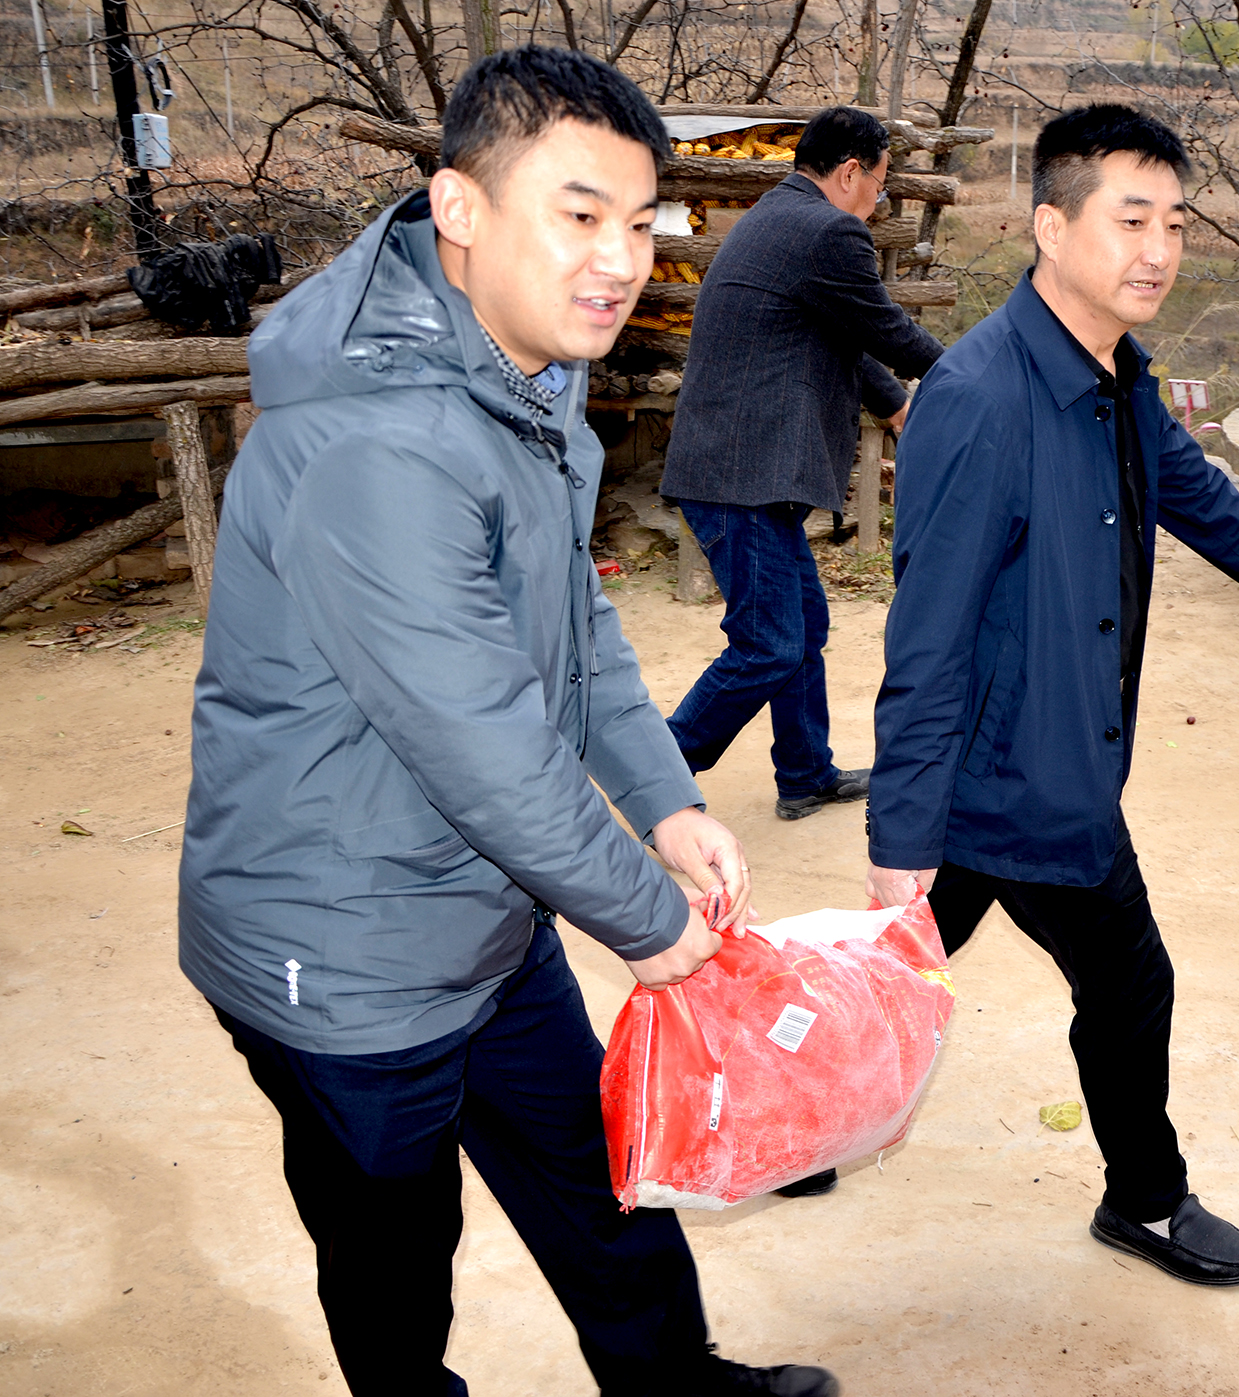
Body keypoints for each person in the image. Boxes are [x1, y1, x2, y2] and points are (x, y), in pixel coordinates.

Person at [178, 48, 837, 1397]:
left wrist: (666, 800)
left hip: (476, 908)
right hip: (344, 954)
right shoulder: (379, 439)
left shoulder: (517, 376)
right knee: (394, 1253)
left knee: (599, 1179)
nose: (620, 260)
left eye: (639, 223)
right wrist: (649, 922)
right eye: (577, 213)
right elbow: (480, 743)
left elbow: (571, 624)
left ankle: (674, 1382)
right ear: (459, 209)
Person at [863, 105, 1239, 1288]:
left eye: (1173, 224)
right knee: (1124, 980)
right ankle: (1143, 1200)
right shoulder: (980, 395)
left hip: (1040, 762)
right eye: (1129, 219)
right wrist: (899, 833)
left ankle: (793, 1115)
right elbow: (925, 635)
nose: (1157, 250)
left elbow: (1194, 495)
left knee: (886, 975)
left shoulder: (1116, 375)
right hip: (1019, 781)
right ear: (1051, 228)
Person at [659, 105, 944, 823]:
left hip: (741, 468)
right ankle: (653, 774)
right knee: (769, 644)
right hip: (742, 473)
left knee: (801, 626)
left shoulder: (780, 216)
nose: (879, 199)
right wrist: (977, 376)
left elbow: (833, 330)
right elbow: (886, 329)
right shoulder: (828, 231)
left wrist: (895, 406)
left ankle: (806, 774)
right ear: (849, 172)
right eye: (880, 182)